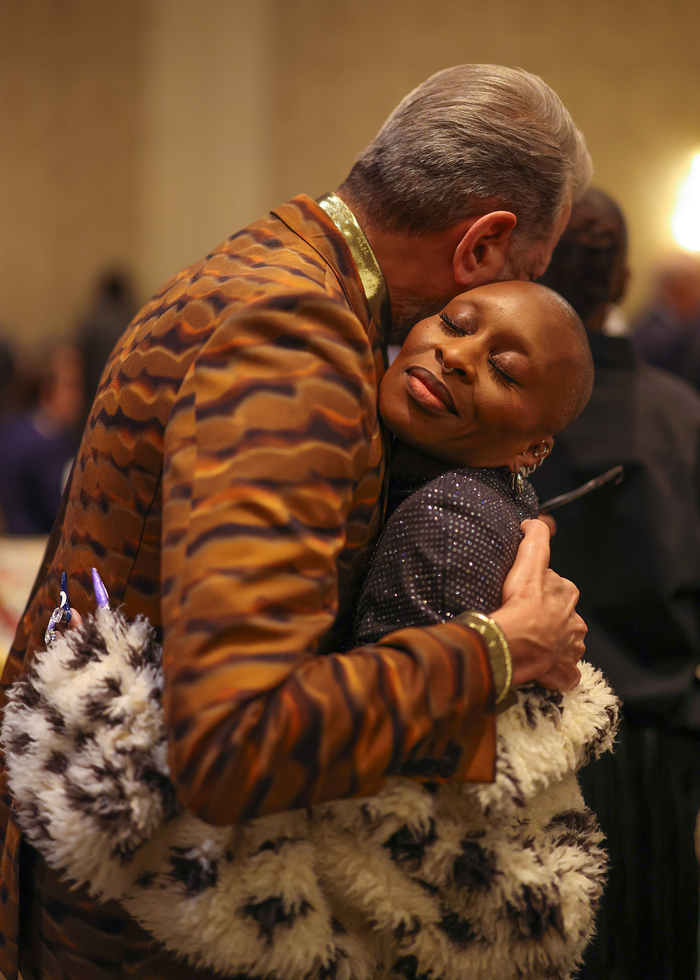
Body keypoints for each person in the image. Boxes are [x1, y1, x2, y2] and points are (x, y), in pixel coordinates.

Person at [0, 65, 590, 980]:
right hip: (149, 925)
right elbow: (238, 744)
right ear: (485, 244)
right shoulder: (296, 331)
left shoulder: (272, 265)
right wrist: (503, 648)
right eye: (526, 276)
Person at [534, 186, 700, 980]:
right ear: (626, 279)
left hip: (533, 751)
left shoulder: (494, 413)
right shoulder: (684, 420)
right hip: (657, 748)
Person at [353, 279, 594, 648]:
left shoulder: (448, 518)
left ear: (532, 449)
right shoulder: (489, 492)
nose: (455, 356)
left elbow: (392, 699)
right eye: (454, 324)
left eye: (503, 369)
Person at [0, 346, 84, 534]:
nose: (78, 396)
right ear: (47, 390)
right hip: (29, 549)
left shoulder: (54, 436)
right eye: (71, 385)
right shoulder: (37, 445)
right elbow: (61, 514)